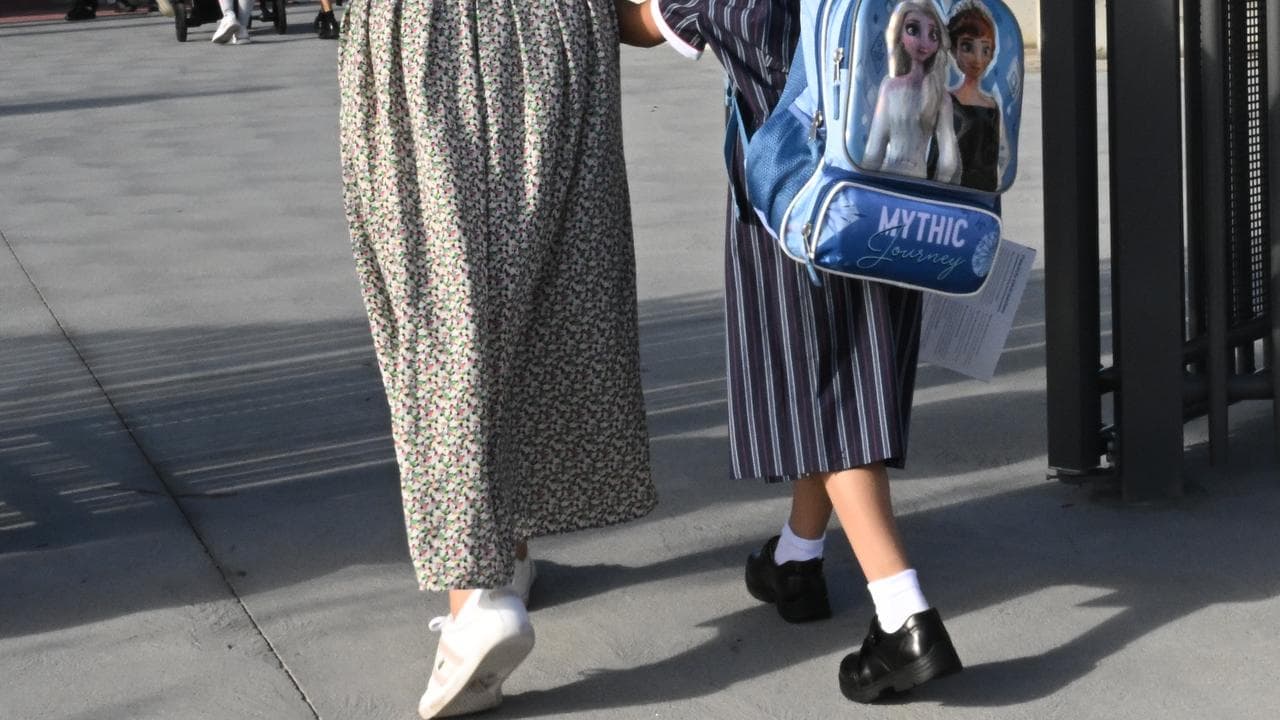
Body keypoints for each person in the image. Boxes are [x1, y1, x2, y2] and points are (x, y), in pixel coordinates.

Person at [617, 0, 963, 704]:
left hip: (795, 202)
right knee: (845, 376)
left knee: (823, 394)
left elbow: (641, 25)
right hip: (893, 190)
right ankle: (796, 559)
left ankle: (905, 619)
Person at [337, 1, 658, 717]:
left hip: (421, 34)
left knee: (443, 301)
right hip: (559, 30)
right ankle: (505, 548)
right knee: (547, 285)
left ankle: (473, 597)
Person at [862, 0, 960, 184]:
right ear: (898, 34)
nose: (925, 42)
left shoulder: (890, 87)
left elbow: (874, 152)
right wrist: (940, 188)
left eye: (932, 34)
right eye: (913, 30)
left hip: (887, 179)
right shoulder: (941, 96)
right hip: (920, 180)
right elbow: (948, 162)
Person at [945, 0, 1009, 192]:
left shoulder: (991, 106)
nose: (978, 59)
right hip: (950, 190)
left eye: (986, 49)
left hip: (984, 191)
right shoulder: (947, 101)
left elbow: (998, 154)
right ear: (954, 50)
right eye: (967, 47)